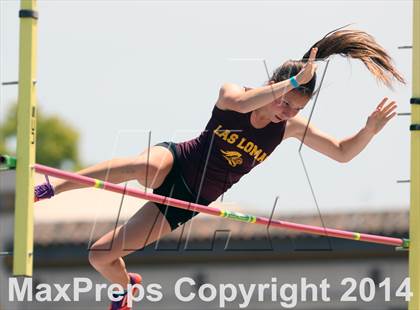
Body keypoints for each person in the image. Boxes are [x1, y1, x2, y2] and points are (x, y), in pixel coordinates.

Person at [34, 27, 405, 310]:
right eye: (287, 102)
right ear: (276, 86)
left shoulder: (288, 127)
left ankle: (125, 284)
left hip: (188, 199)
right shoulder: (233, 94)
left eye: (297, 109)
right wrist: (292, 83)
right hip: (178, 161)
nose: (289, 112)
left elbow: (342, 153)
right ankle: (57, 185)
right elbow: (244, 103)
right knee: (141, 163)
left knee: (99, 255)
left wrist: (367, 131)